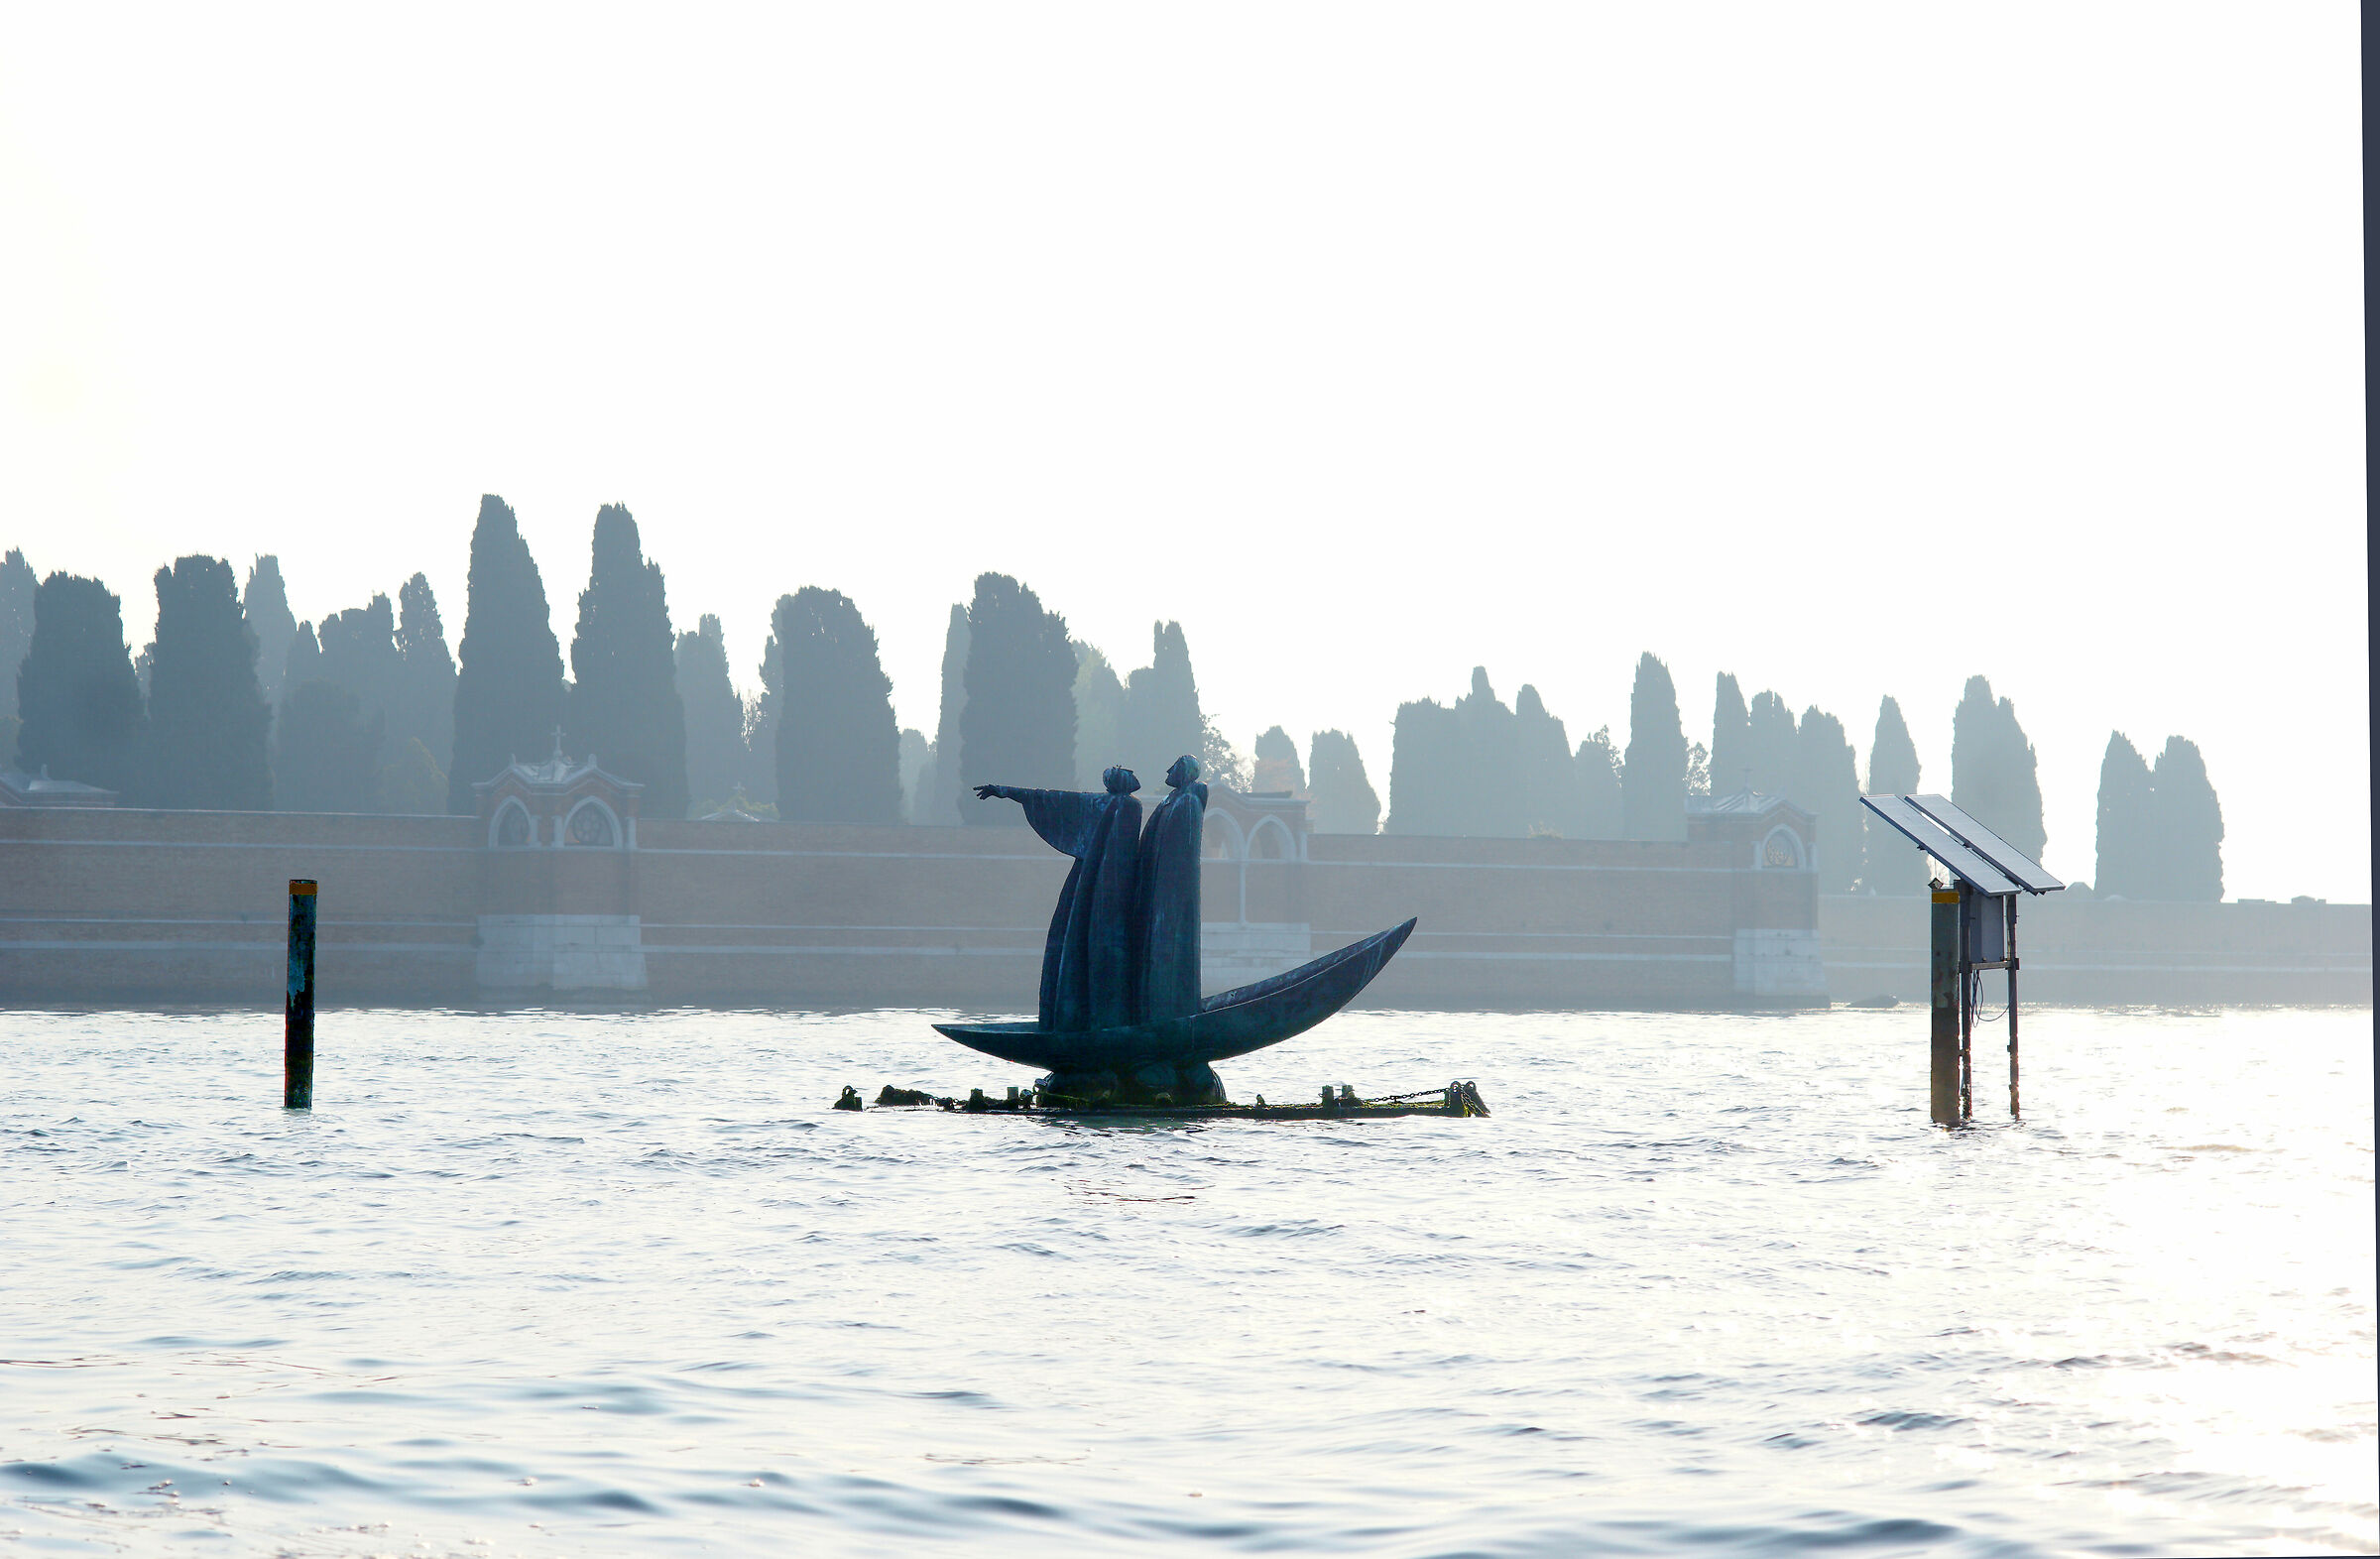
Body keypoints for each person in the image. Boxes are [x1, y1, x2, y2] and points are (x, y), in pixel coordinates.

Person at [976, 767, 1142, 1032]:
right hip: (1105, 885)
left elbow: (1053, 798)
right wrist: (1007, 792)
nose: (1134, 777)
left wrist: (1007, 792)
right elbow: (1054, 798)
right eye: (1126, 773)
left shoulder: (1118, 805)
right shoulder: (1118, 805)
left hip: (1105, 888)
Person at [1134, 754, 1208, 1022]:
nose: (1168, 770)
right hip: (1160, 888)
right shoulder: (1173, 800)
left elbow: (1181, 852)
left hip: (1172, 891)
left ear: (1186, 772)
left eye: (1175, 767)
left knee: (1169, 945)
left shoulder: (1188, 802)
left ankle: (1169, 1008)